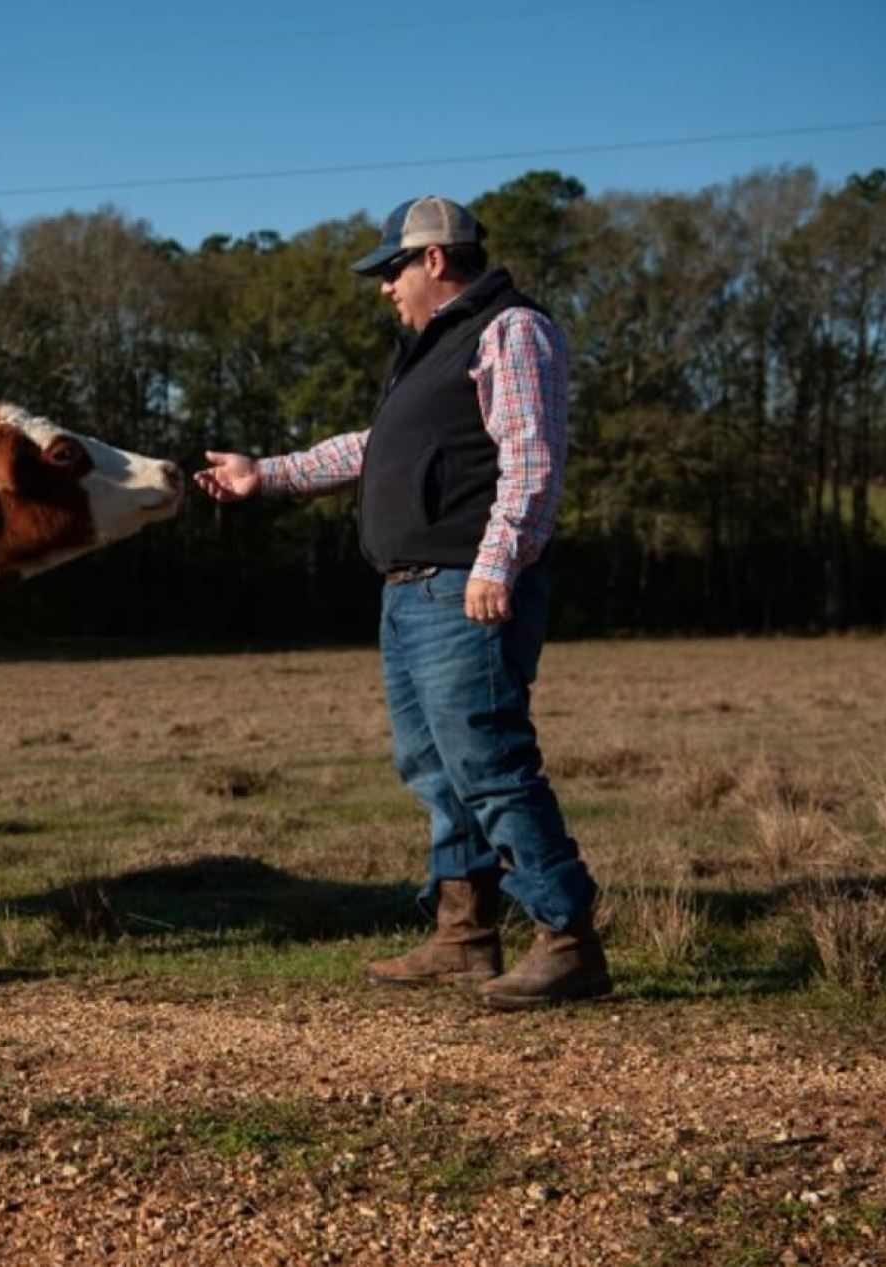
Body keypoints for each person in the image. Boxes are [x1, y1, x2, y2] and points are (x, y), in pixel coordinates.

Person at [194, 195, 609, 1009]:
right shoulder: (429, 350)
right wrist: (263, 474)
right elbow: (371, 448)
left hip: (466, 587)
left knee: (489, 762)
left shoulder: (511, 329)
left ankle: (568, 938)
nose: (384, 287)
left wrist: (498, 563)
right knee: (435, 770)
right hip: (411, 593)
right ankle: (464, 936)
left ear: (433, 260)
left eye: (391, 270)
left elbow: (533, 457)